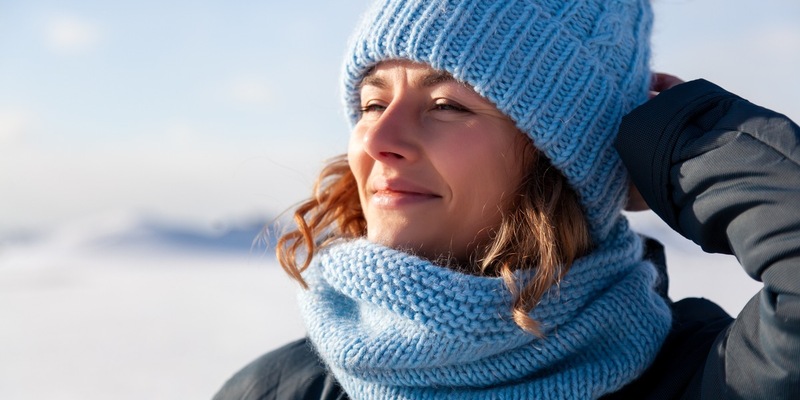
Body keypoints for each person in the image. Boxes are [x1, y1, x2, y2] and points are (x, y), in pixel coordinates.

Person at [214, 0, 800, 398]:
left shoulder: (703, 379)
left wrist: (682, 139)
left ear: (562, 158)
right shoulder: (281, 388)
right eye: (371, 103)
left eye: (447, 105)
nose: (378, 139)